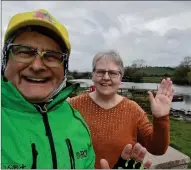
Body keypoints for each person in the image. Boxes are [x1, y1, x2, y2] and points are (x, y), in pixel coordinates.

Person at [1, 9, 152, 169]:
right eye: (24, 52)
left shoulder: (76, 122)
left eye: (52, 56)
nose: (37, 65)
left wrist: (161, 117)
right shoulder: (76, 105)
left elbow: (156, 145)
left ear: (64, 68)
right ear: (5, 59)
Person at [69, 50, 174, 168]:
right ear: (92, 75)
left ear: (121, 78)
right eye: (100, 72)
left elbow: (157, 149)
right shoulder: (72, 106)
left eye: (113, 73)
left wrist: (161, 118)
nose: (106, 77)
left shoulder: (133, 110)